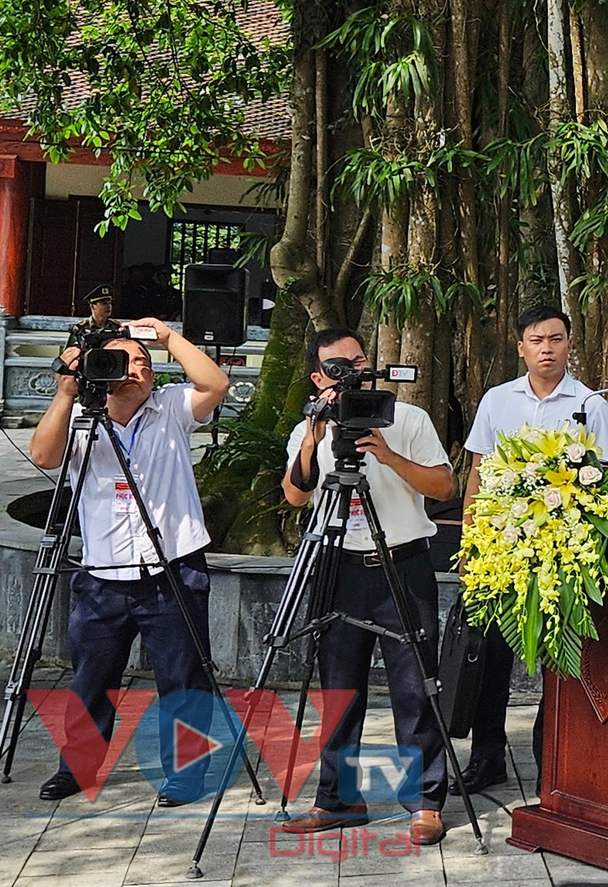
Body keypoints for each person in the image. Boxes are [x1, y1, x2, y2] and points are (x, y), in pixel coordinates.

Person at [27, 318, 229, 804]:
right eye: (122, 362)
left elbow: (215, 383)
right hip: (103, 575)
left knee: (182, 678)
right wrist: (67, 391)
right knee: (91, 680)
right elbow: (42, 456)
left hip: (173, 568)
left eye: (143, 363)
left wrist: (167, 338)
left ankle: (184, 772)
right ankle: (77, 767)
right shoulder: (80, 417)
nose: (135, 370)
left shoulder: (172, 408)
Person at [278, 329, 457, 845]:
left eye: (360, 362)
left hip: (402, 564)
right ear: (318, 378)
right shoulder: (307, 427)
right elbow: (295, 495)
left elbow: (443, 488)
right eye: (339, 368)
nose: (354, 373)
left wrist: (386, 454)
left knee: (415, 686)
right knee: (338, 689)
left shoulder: (408, 419)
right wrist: (312, 440)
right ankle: (337, 799)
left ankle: (424, 801)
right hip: (338, 567)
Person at [454, 305, 608, 796]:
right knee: (490, 657)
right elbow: (478, 472)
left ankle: (553, 759)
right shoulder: (497, 400)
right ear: (521, 347)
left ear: (570, 344)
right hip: (500, 546)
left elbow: (601, 480)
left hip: (560, 550)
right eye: (536, 339)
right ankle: (487, 758)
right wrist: (469, 538)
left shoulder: (592, 404)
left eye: (556, 338)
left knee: (558, 660)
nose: (547, 348)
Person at [66, 285, 119, 350]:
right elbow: (69, 353)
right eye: (104, 303)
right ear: (92, 306)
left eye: (110, 303)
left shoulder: (116, 327)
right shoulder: (80, 329)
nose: (109, 306)